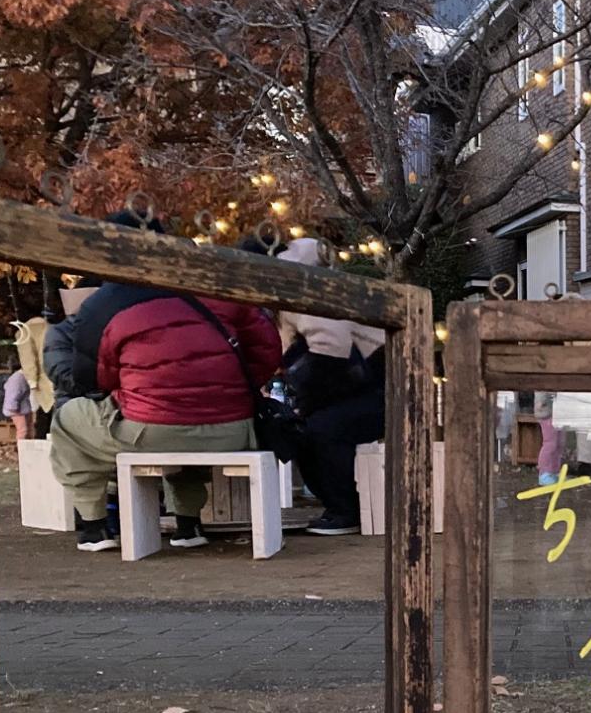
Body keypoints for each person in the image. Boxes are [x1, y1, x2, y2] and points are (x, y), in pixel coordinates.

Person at [45, 208, 282, 552]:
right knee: (184, 421)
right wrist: (228, 391)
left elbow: (92, 378)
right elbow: (266, 349)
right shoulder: (219, 286)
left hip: (151, 430)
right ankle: (188, 525)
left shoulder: (104, 302)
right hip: (235, 429)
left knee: (67, 421)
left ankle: (94, 527)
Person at [273, 237, 387, 534]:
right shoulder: (320, 296)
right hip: (363, 386)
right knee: (309, 430)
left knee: (322, 430)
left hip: (376, 391)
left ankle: (344, 509)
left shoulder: (316, 298)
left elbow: (331, 355)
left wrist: (305, 401)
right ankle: (340, 506)